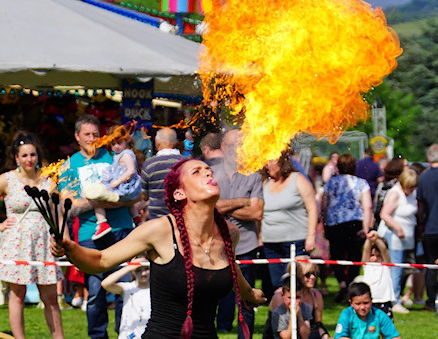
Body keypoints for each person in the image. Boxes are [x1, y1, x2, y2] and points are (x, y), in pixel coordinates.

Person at [51, 159, 266, 338]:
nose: (208, 174)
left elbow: (230, 268)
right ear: (180, 194)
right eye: (197, 172)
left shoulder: (229, 233)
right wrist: (70, 248)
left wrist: (249, 293)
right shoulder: (159, 230)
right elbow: (100, 261)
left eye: (209, 171)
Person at [58, 115, 135, 338]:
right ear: (77, 137)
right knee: (94, 292)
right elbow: (67, 205)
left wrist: (104, 200)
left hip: (121, 229)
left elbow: (133, 194)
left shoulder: (115, 157)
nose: (92, 139)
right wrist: (99, 201)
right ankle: (98, 336)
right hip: (89, 234)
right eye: (87, 135)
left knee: (125, 287)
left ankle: (125, 333)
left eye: (95, 134)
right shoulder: (69, 165)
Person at [0, 131, 64, 339]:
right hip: (16, 242)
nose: (29, 159)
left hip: (44, 241)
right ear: (16, 157)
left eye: (33, 155)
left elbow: (57, 211)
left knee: (51, 297)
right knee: (17, 296)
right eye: (25, 155)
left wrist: (61, 237)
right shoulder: (6, 180)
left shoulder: (48, 180)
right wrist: (0, 225)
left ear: (38, 156)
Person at [212, 129, 264, 336]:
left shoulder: (253, 175)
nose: (238, 150)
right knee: (215, 294)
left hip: (246, 245)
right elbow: (209, 208)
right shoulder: (211, 173)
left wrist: (223, 205)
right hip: (216, 245)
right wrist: (243, 202)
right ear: (223, 147)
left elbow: (257, 211)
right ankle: (220, 328)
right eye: (233, 145)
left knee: (247, 298)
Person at [261, 150, 318, 291]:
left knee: (298, 284)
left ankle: (301, 311)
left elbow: (312, 208)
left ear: (282, 162)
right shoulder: (265, 183)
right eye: (266, 162)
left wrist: (311, 236)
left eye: (271, 161)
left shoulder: (298, 179)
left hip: (297, 242)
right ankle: (279, 312)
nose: (268, 166)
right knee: (278, 285)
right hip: (271, 244)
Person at [322, 153, 373, 303]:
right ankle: (351, 285)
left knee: (336, 255)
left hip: (335, 223)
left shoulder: (330, 183)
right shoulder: (361, 183)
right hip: (354, 223)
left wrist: (324, 223)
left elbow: (324, 205)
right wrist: (366, 228)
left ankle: (342, 283)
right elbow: (367, 206)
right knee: (354, 256)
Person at [84, 125, 142, 240]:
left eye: (119, 142)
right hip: (126, 188)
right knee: (129, 202)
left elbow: (131, 171)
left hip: (124, 187)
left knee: (96, 197)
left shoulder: (126, 154)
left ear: (126, 141)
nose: (116, 146)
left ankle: (102, 223)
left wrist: (116, 182)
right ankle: (137, 218)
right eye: (113, 144)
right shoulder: (119, 155)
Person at [378, 169, 418, 314]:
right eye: (410, 186)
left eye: (414, 186)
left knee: (402, 269)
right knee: (396, 269)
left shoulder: (411, 194)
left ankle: (398, 296)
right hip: (394, 237)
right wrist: (398, 228)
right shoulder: (395, 193)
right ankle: (394, 300)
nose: (412, 190)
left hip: (406, 239)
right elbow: (384, 214)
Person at [416, 144, 438, 311]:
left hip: (430, 227)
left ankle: (431, 300)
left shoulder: (423, 177)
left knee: (431, 264)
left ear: (429, 158)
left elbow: (420, 205)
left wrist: (421, 225)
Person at [265, 257, 329, 339]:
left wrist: (325, 336)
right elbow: (280, 333)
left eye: (314, 273)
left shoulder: (316, 295)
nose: (313, 277)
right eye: (308, 274)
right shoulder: (280, 296)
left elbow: (318, 324)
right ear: (297, 274)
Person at [101, 255, 151, 339]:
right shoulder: (128, 288)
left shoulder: (155, 289)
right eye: (138, 270)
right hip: (128, 335)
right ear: (132, 272)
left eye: (146, 269)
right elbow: (105, 284)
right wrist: (128, 268)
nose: (143, 273)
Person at [140, 127, 183, 220]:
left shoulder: (149, 164)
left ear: (157, 143)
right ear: (175, 142)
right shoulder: (186, 163)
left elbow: (143, 194)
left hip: (156, 219)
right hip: (181, 219)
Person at [334, 282, 400, 339]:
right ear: (351, 303)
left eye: (366, 303)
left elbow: (394, 337)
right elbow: (340, 337)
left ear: (371, 300)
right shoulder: (346, 314)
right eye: (358, 304)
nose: (362, 307)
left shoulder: (379, 315)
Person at [360, 230, 395, 320]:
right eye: (372, 255)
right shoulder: (367, 265)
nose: (375, 258)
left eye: (378, 256)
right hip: (369, 302)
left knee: (387, 329)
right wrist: (369, 239)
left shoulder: (386, 265)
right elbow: (366, 250)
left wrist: (376, 238)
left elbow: (384, 250)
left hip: (385, 301)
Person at [373, 158, 405, 229]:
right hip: (393, 222)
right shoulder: (398, 185)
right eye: (405, 166)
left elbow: (376, 203)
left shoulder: (382, 184)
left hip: (379, 221)